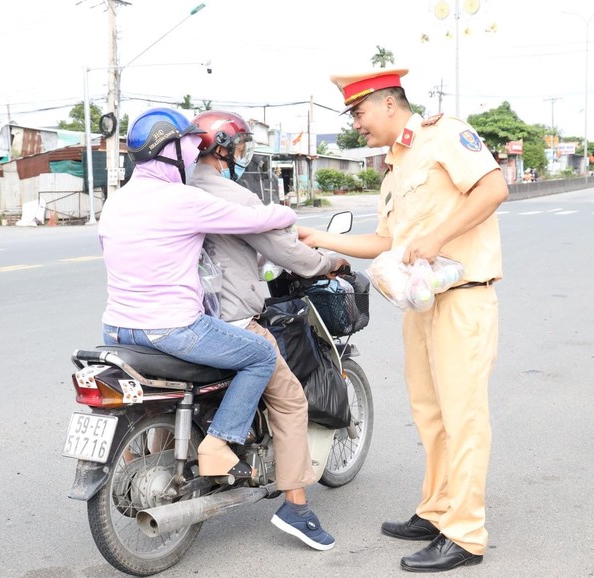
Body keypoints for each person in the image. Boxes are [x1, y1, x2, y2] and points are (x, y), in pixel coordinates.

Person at [298, 67, 508, 572]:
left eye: (359, 112)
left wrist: (437, 238)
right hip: (422, 305)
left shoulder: (443, 135)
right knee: (430, 415)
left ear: (388, 102)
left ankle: (465, 534)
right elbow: (385, 242)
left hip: (462, 297)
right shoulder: (393, 169)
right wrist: (318, 238)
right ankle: (437, 511)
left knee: (463, 418)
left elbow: (493, 188)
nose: (356, 124)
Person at [98, 107, 298, 479]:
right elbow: (254, 220)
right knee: (259, 354)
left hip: (115, 329)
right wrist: (288, 215)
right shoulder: (181, 199)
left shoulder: (116, 200)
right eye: (189, 147)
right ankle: (220, 442)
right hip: (172, 329)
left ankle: (136, 459)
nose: (193, 156)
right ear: (169, 151)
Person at [189, 109, 348, 551]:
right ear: (222, 148)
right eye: (237, 148)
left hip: (177, 322)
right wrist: (329, 262)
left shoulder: (177, 193)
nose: (240, 156)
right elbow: (289, 254)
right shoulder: (236, 198)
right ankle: (296, 506)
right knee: (290, 397)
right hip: (231, 321)